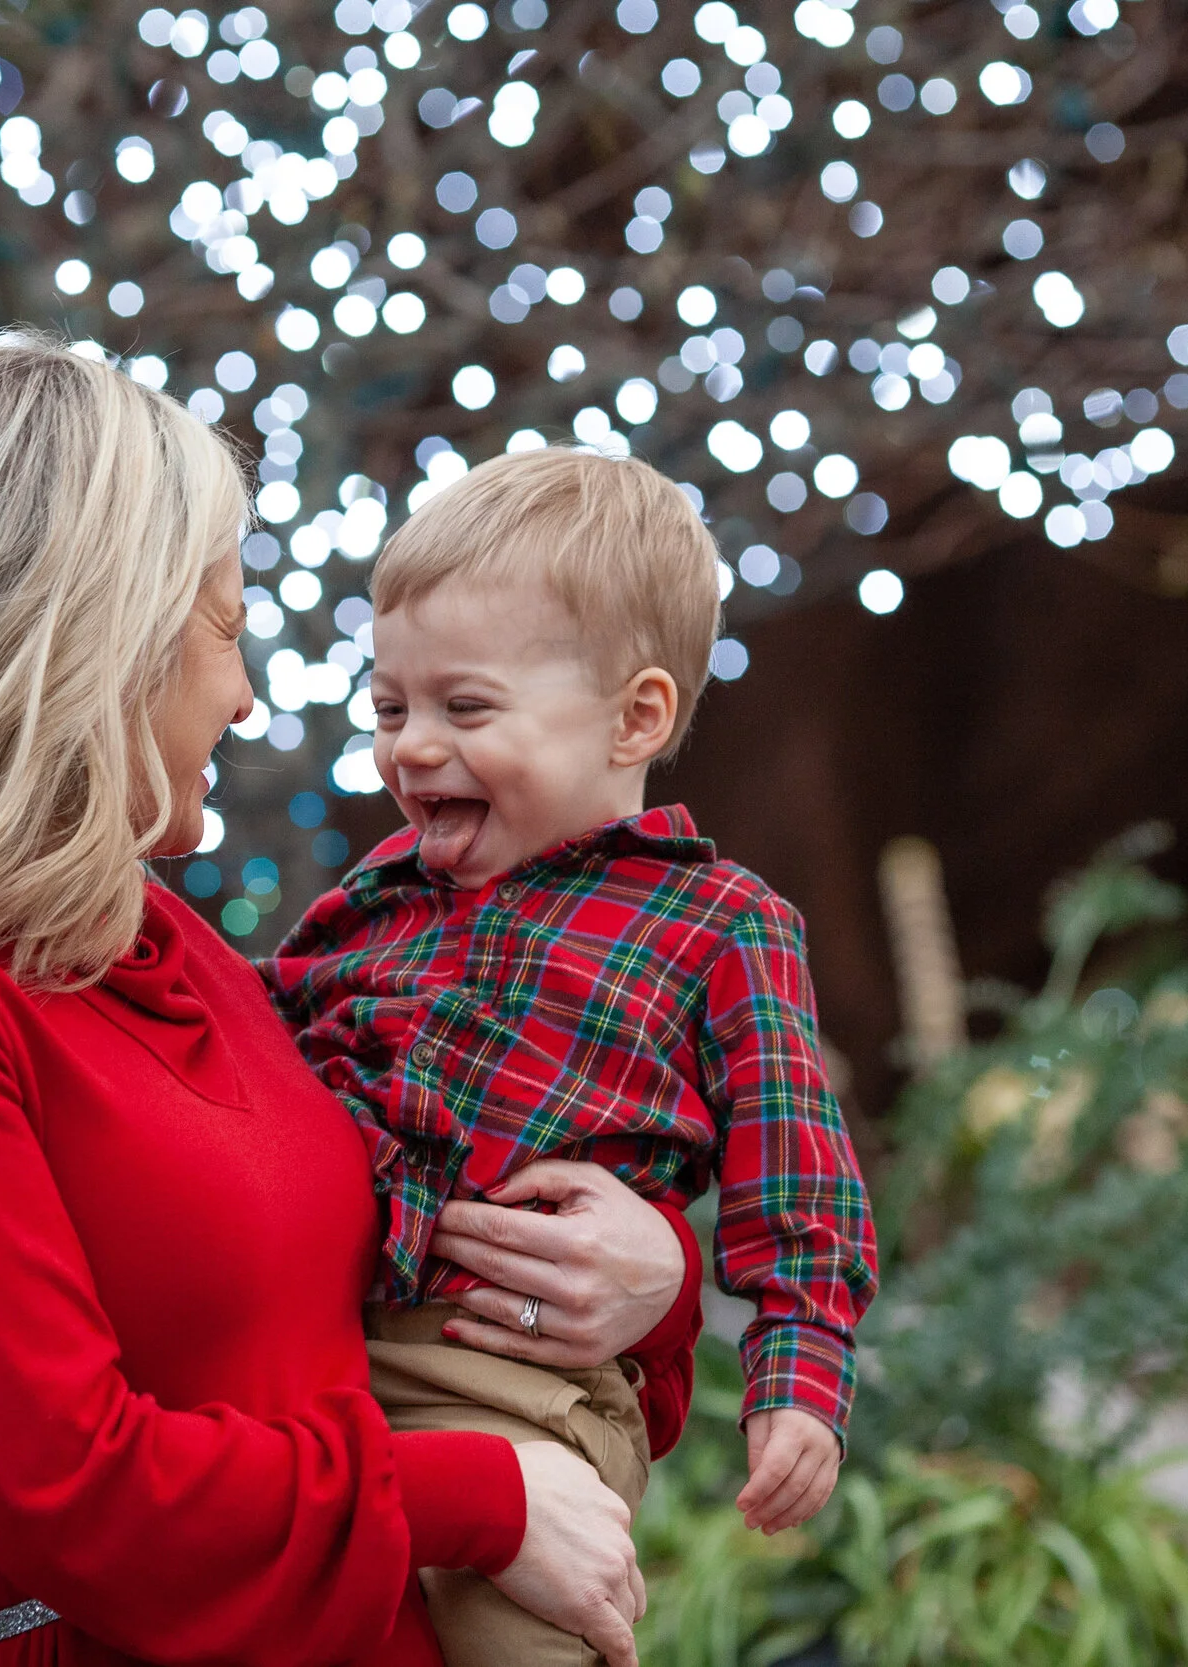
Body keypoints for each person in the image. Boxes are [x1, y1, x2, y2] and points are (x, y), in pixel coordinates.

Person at [0, 339, 694, 1665]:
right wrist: (480, 1495)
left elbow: (406, 1253)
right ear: (92, 635)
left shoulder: (161, 940)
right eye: (227, 628)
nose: (244, 695)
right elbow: (74, 1496)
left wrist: (646, 1278)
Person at [259, 449, 879, 1667]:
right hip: (323, 1368)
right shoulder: (368, 901)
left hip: (519, 1386)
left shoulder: (720, 925)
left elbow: (797, 1180)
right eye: (390, 709)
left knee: (521, 1640)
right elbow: (248, 1052)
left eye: (465, 708)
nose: (411, 748)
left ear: (634, 716)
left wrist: (798, 1378)